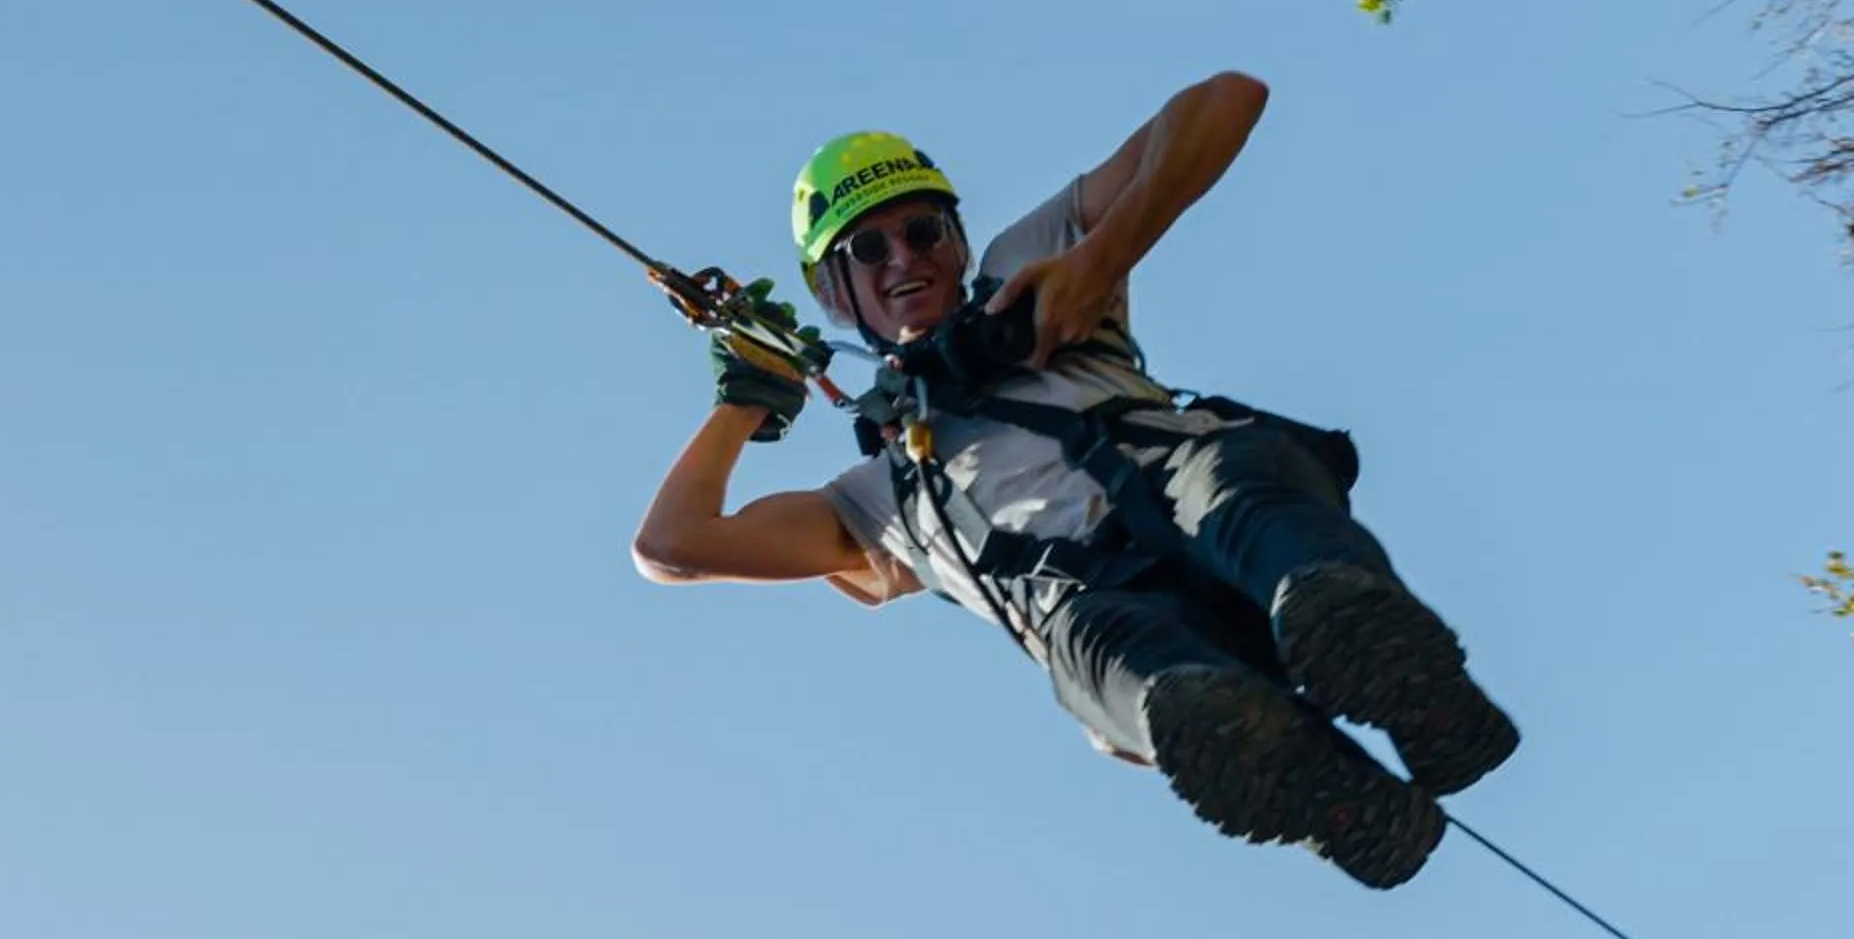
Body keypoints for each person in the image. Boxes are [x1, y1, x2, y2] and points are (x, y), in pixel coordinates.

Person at [630, 73, 1517, 888]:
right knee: (1092, 643)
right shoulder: (877, 503)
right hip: (1115, 618)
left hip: (1202, 505)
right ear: (833, 291)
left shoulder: (1028, 269)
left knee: (1228, 479)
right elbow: (672, 546)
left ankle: (1385, 656)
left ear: (956, 239)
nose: (903, 257)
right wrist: (745, 401)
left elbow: (1228, 98)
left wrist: (1101, 260)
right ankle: (1317, 789)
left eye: (923, 230)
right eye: (868, 247)